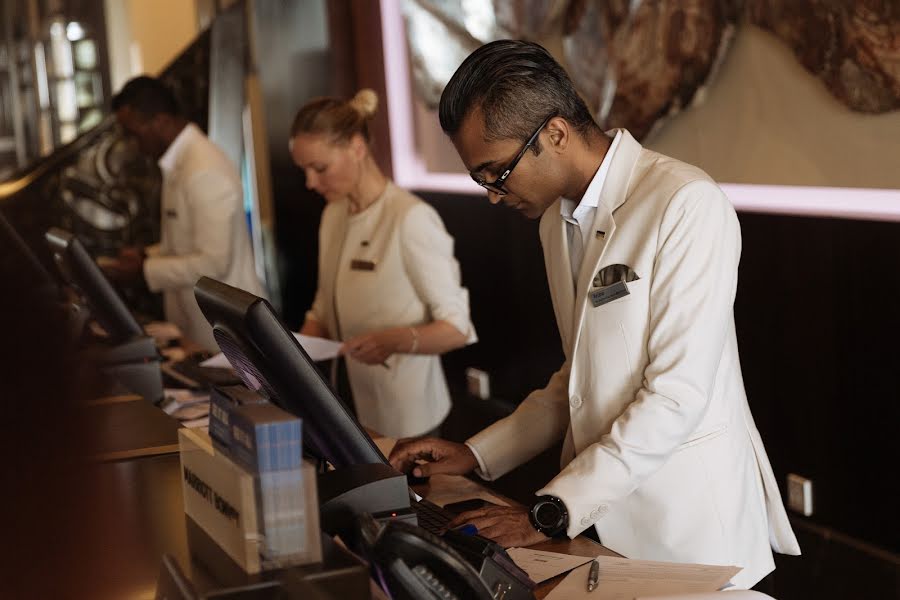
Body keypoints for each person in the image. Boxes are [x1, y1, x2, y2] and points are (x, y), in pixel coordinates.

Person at [389, 40, 800, 589]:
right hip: (604, 524)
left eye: (496, 173)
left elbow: (676, 394)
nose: (491, 195)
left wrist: (549, 510)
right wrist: (476, 453)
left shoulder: (685, 202)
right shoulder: (552, 225)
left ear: (555, 134)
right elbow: (576, 383)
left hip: (689, 528)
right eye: (480, 179)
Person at [289, 89, 477, 439]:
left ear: (357, 148)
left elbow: (456, 328)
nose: (310, 183)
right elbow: (322, 307)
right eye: (304, 171)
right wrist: (285, 355)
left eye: (319, 168)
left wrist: (392, 340)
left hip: (409, 416)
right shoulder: (333, 214)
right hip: (350, 405)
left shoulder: (411, 218)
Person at [107, 75, 264, 352]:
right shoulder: (180, 161)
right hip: (200, 330)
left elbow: (213, 263)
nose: (132, 144)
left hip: (227, 334)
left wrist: (144, 270)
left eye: (133, 132)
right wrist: (147, 255)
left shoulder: (203, 169)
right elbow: (186, 243)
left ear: (161, 122)